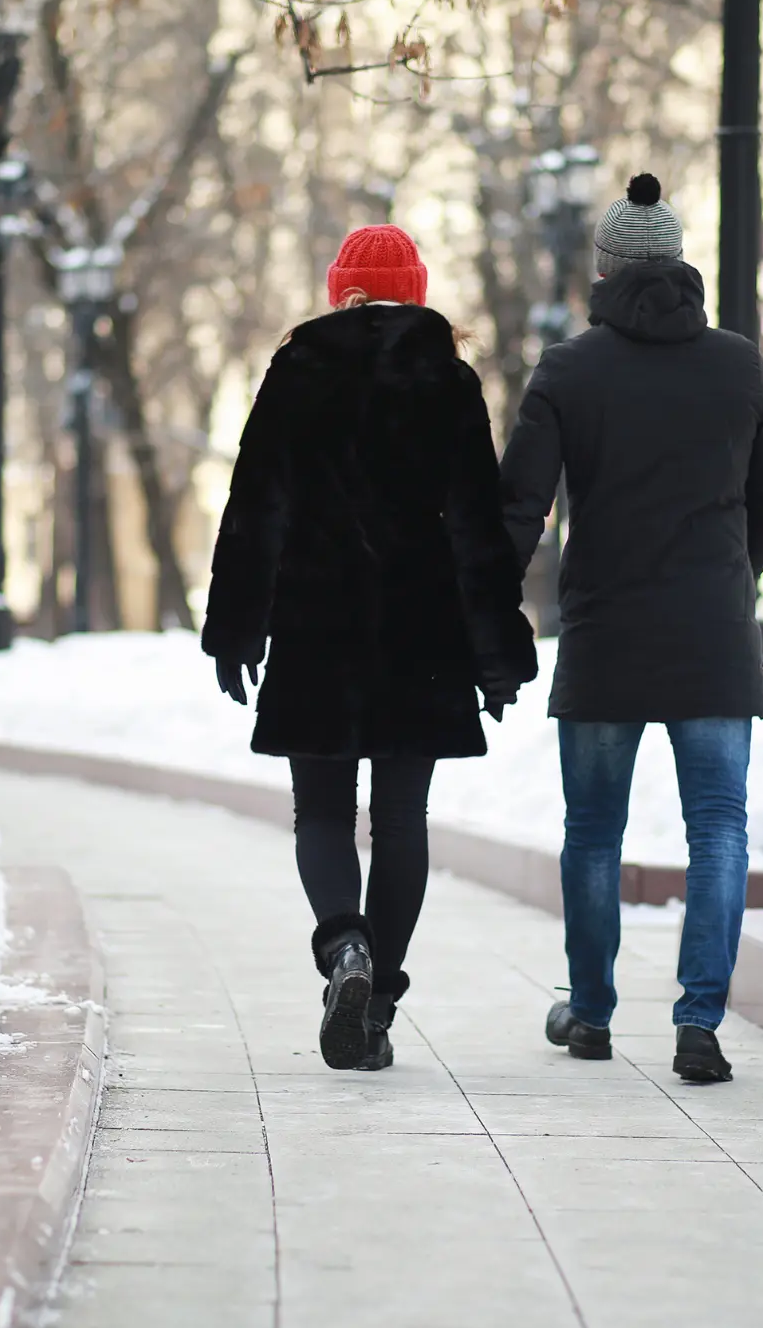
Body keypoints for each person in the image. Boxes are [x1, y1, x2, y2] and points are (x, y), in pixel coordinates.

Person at [202, 224, 537, 1072]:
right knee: (399, 820)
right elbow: (475, 528)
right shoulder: (449, 380)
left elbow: (256, 508)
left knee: (319, 811)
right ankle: (378, 1002)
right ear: (418, 290)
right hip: (421, 634)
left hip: (317, 625)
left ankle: (342, 948)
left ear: (336, 288)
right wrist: (496, 651)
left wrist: (237, 627)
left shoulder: (296, 371)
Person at [499, 174, 763, 1084]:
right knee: (719, 828)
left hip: (606, 633)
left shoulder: (569, 369)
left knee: (593, 829)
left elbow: (521, 505)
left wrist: (485, 600)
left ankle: (589, 1015)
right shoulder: (740, 365)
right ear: (680, 265)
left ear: (604, 270)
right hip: (711, 634)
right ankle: (698, 1024)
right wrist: (730, 579)